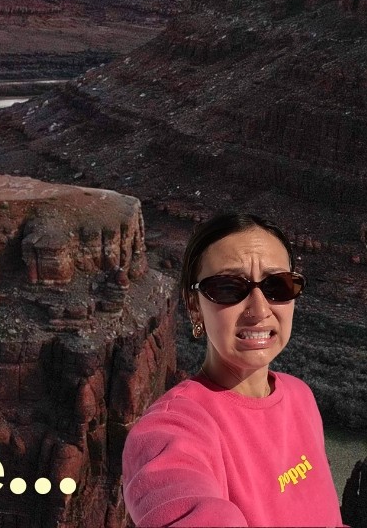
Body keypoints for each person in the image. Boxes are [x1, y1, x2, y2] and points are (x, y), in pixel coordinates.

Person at [122, 213, 343, 526]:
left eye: (278, 285)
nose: (259, 309)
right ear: (194, 306)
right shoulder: (170, 428)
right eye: (228, 287)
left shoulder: (300, 396)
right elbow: (178, 499)